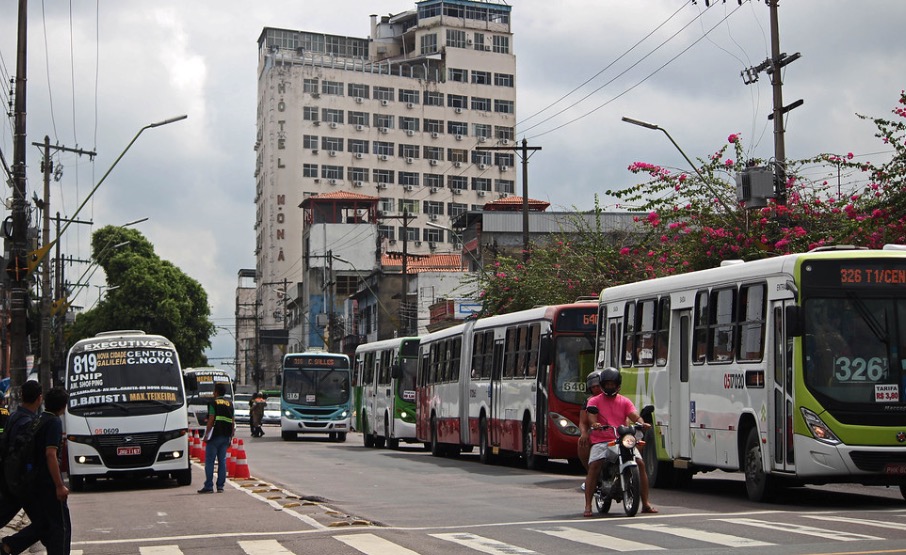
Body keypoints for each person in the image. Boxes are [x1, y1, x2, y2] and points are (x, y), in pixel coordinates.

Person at [2, 385, 71, 555]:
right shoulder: (49, 421)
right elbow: (50, 454)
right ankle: (9, 545)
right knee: (58, 527)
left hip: (23, 481)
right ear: (39, 398)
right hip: (38, 484)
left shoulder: (31, 419)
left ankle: (9, 545)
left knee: (45, 524)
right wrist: (59, 485)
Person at [582, 367, 657, 517]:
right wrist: (595, 424)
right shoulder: (594, 401)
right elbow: (591, 416)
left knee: (640, 464)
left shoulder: (624, 401)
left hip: (622, 439)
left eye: (613, 384)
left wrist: (642, 423)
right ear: (603, 384)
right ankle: (588, 505)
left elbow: (634, 415)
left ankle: (646, 504)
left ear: (618, 385)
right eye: (607, 384)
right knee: (595, 465)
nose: (610, 386)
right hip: (602, 441)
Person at [0, 381, 43, 532]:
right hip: (20, 482)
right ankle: (7, 546)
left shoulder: (13, 417)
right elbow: (27, 456)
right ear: (39, 398)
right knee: (44, 523)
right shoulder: (27, 422)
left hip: (9, 477)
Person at [198, 383, 234, 494]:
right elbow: (232, 421)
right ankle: (220, 486)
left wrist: (206, 434)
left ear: (216, 392)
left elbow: (211, 419)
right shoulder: (230, 404)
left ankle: (209, 486)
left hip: (214, 436)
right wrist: (231, 436)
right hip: (225, 436)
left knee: (210, 461)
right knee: (222, 461)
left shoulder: (213, 403)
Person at [577, 370, 602, 490]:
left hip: (613, 433)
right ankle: (591, 475)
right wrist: (584, 433)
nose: (596, 389)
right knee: (582, 444)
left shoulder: (618, 399)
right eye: (593, 387)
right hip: (597, 432)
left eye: (598, 386)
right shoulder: (588, 402)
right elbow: (583, 422)